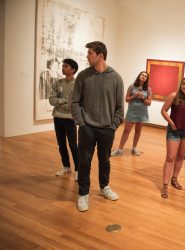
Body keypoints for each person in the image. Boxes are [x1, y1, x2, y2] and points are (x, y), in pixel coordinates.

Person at [71, 41, 124, 212]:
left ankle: (104, 186)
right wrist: (82, 123)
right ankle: (84, 193)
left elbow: (119, 108)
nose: (87, 56)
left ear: (100, 55)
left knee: (105, 160)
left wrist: (113, 125)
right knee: (84, 162)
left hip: (107, 129)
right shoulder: (83, 76)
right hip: (87, 128)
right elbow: (75, 102)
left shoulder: (116, 78)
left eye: (90, 53)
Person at [160, 76, 185, 199]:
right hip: (174, 131)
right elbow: (164, 111)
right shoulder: (173, 95)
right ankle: (165, 185)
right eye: (183, 84)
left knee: (181, 156)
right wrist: (171, 123)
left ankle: (174, 179)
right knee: (170, 157)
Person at [49, 58, 79, 180]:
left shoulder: (77, 84)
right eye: (63, 66)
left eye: (66, 66)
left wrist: (61, 103)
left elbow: (75, 103)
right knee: (61, 144)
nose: (63, 68)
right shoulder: (58, 83)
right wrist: (64, 101)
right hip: (57, 118)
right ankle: (66, 167)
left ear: (73, 70)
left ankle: (78, 169)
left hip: (70, 119)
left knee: (73, 145)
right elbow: (51, 100)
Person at [111, 71, 152, 156]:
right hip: (132, 111)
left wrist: (143, 98)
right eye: (142, 75)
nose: (143, 77)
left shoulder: (148, 89)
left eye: (145, 76)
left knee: (138, 130)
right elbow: (126, 99)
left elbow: (149, 103)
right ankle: (120, 149)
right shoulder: (132, 86)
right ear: (139, 76)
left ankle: (134, 148)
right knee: (126, 131)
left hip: (142, 112)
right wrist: (135, 95)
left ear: (147, 79)